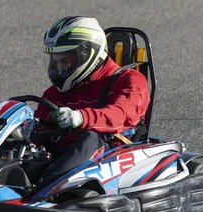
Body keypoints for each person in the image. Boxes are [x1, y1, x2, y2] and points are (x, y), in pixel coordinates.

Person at [34, 16, 151, 189]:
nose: (59, 68)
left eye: (65, 61)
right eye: (55, 61)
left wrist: (81, 117)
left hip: (110, 155)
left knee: (90, 139)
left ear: (87, 52)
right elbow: (40, 127)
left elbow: (121, 115)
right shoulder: (57, 92)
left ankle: (45, 189)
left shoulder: (130, 80)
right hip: (63, 156)